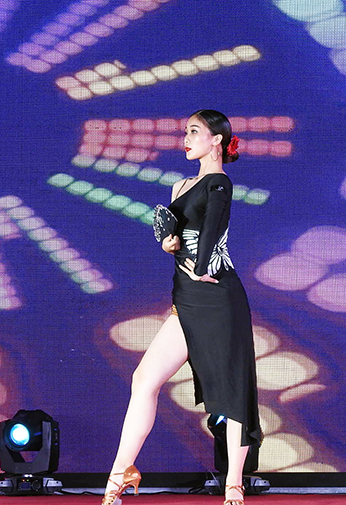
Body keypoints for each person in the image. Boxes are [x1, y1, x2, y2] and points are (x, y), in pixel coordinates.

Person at [101, 110, 262, 505]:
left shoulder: (219, 183)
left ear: (216, 140)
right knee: (144, 380)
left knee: (233, 393)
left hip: (219, 299)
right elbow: (173, 234)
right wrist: (167, 243)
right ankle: (121, 473)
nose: (185, 139)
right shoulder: (180, 186)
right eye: (185, 132)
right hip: (187, 300)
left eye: (194, 131)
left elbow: (213, 228)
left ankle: (234, 484)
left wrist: (203, 265)